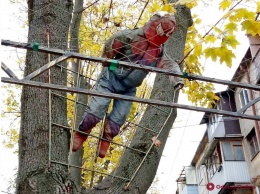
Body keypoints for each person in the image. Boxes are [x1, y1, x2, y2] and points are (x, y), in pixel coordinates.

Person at [72, 11, 184, 158]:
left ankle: (106, 139)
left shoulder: (158, 51)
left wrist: (178, 79)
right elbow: (112, 43)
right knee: (97, 108)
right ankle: (81, 133)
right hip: (109, 79)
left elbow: (169, 65)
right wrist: (107, 60)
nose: (164, 35)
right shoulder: (130, 37)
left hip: (129, 88)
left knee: (119, 117)